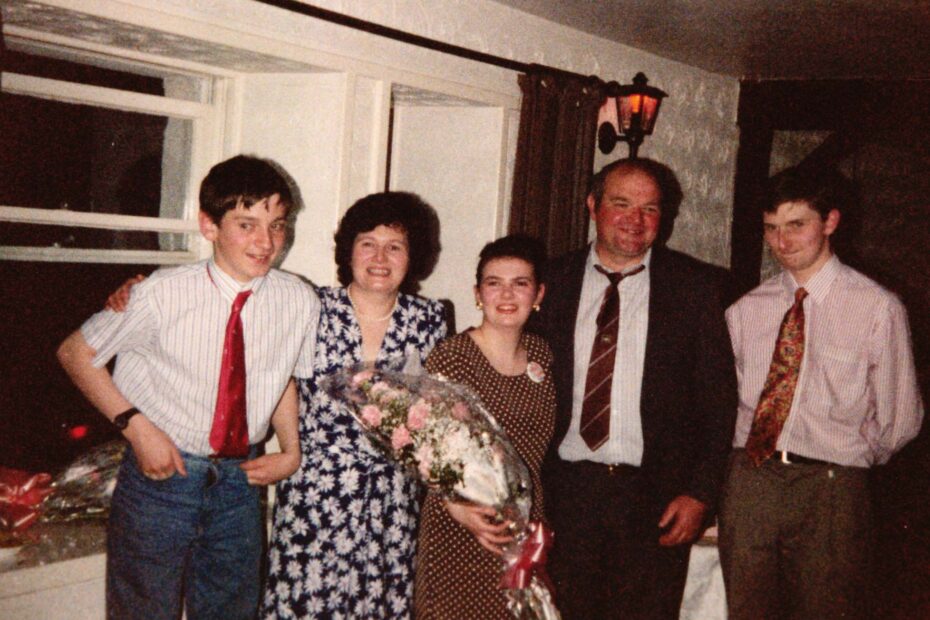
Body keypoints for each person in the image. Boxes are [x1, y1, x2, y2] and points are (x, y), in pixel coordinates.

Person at [56, 155, 321, 619]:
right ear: (208, 226)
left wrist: (291, 450)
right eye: (247, 225)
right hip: (163, 477)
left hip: (240, 482)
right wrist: (137, 428)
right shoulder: (161, 293)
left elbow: (282, 379)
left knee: (231, 611)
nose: (266, 242)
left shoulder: (298, 299)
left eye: (277, 226)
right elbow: (76, 354)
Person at [718, 167, 923, 620]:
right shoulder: (745, 310)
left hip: (831, 487)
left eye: (796, 225)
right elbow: (726, 403)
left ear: (830, 222)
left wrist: (845, 458)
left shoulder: (877, 307)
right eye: (771, 228)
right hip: (752, 481)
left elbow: (901, 418)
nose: (782, 241)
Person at [538, 157, 738, 619]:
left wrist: (700, 493)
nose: (636, 219)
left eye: (650, 208)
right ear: (592, 206)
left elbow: (718, 402)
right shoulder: (551, 282)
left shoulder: (696, 289)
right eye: (622, 204)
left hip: (656, 499)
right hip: (566, 495)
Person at [262, 192, 448, 619]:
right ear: (349, 251)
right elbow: (282, 380)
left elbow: (436, 408)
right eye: (368, 243)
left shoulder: (430, 319)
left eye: (395, 246)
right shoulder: (312, 307)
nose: (380, 258)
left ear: (412, 256)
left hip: (392, 500)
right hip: (316, 492)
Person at [414, 234, 556, 619]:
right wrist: (457, 507)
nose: (507, 294)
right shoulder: (454, 357)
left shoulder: (542, 354)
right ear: (478, 294)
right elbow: (427, 448)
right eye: (494, 283)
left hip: (525, 526)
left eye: (520, 283)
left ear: (538, 293)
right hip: (463, 524)